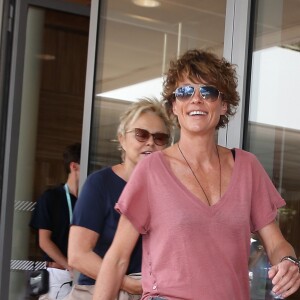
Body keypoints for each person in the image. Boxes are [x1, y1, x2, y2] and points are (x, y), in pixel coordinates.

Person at [93, 49, 300, 300]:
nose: (196, 99)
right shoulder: (152, 170)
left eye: (208, 92)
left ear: (223, 105)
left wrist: (288, 261)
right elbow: (116, 259)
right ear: (174, 107)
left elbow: (276, 243)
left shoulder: (247, 167)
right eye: (184, 92)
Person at [66, 98, 174, 300]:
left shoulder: (171, 189)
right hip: (98, 289)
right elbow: (78, 255)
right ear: (122, 139)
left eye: (159, 138)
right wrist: (127, 283)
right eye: (141, 135)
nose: (150, 142)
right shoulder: (99, 184)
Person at [30, 142, 81, 300]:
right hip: (57, 275)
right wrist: (70, 267)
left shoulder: (89, 201)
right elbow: (44, 242)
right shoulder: (51, 197)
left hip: (81, 277)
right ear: (74, 166)